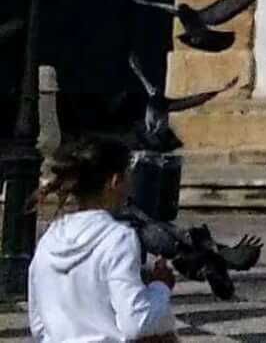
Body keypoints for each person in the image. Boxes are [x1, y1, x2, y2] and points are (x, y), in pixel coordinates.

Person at [26, 131, 176, 341]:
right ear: (115, 181)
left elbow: (38, 325)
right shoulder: (118, 238)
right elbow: (135, 323)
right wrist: (160, 287)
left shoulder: (49, 238)